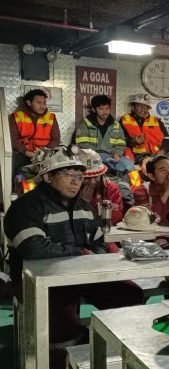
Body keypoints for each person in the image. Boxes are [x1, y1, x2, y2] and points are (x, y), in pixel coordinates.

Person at [3, 146, 142, 369]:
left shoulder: (84, 208)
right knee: (63, 321)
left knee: (129, 293)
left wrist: (91, 255)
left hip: (80, 276)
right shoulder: (25, 208)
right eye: (68, 175)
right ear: (47, 176)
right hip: (37, 282)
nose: (76, 181)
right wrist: (79, 252)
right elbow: (34, 248)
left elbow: (98, 245)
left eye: (79, 176)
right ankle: (60, 360)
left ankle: (109, 351)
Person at [73, 94, 133, 176]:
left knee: (129, 165)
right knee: (103, 167)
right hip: (91, 157)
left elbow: (121, 143)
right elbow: (82, 144)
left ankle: (119, 179)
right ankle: (112, 172)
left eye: (107, 109)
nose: (105, 112)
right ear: (94, 110)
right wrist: (99, 155)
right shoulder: (85, 124)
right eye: (101, 109)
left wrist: (117, 153)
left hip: (111, 157)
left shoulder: (116, 125)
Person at [9, 89, 60, 177]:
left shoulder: (51, 117)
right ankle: (19, 187)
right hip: (23, 154)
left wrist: (44, 152)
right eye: (39, 103)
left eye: (44, 103)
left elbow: (55, 139)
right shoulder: (17, 116)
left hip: (45, 155)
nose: (43, 106)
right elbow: (13, 139)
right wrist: (26, 152)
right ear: (29, 103)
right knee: (19, 171)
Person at [133, 155, 169, 226]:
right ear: (152, 176)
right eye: (163, 170)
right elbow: (148, 219)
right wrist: (166, 192)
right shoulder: (141, 191)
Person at [77, 149, 124, 225]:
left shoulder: (111, 189)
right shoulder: (71, 189)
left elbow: (117, 217)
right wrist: (83, 201)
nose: (92, 182)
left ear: (101, 174)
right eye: (87, 178)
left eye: (95, 176)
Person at [119, 94, 169, 160]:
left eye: (145, 106)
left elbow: (167, 139)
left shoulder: (156, 120)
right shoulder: (125, 119)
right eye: (139, 106)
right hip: (138, 155)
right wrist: (133, 141)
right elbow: (119, 140)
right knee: (150, 163)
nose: (143, 108)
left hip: (159, 153)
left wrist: (162, 151)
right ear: (133, 107)